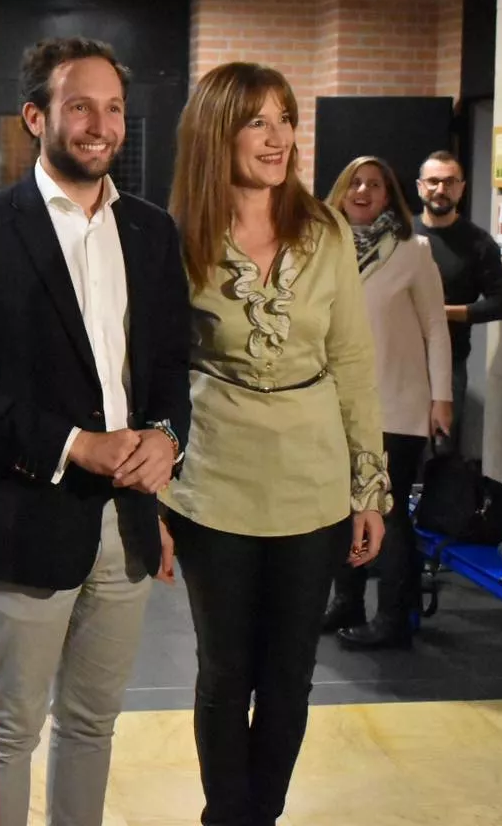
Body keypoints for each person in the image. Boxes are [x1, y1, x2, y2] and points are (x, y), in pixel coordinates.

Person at [161, 62, 389, 826]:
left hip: (312, 486)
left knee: (289, 677)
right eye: (256, 121)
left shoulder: (326, 232)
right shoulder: (174, 236)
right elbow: (151, 371)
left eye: (284, 119)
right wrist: (153, 495)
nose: (278, 137)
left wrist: (368, 488)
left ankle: (262, 817)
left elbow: (352, 361)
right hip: (212, 483)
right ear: (215, 133)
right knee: (226, 674)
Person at [0, 37, 191, 826]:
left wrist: (167, 440)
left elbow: (170, 367)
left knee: (93, 724)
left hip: (127, 523)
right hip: (30, 515)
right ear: (36, 117)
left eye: (114, 109)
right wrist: (73, 444)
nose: (101, 126)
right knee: (9, 732)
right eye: (80, 106)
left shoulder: (152, 231)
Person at [324, 156, 452, 649]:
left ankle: (395, 618)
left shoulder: (412, 250)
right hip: (338, 402)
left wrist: (442, 398)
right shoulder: (323, 245)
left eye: (374, 184)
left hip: (397, 403)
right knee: (343, 506)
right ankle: (347, 602)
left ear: (388, 195)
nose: (363, 190)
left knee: (388, 510)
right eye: (355, 182)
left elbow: (436, 327)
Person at [415, 150, 502, 445]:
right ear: (420, 186)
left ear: (461, 188)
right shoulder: (400, 236)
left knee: (440, 450)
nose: (440, 189)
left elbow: (500, 304)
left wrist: (443, 312)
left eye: (449, 182)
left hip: (450, 362)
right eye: (433, 181)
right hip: (397, 360)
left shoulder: (479, 243)